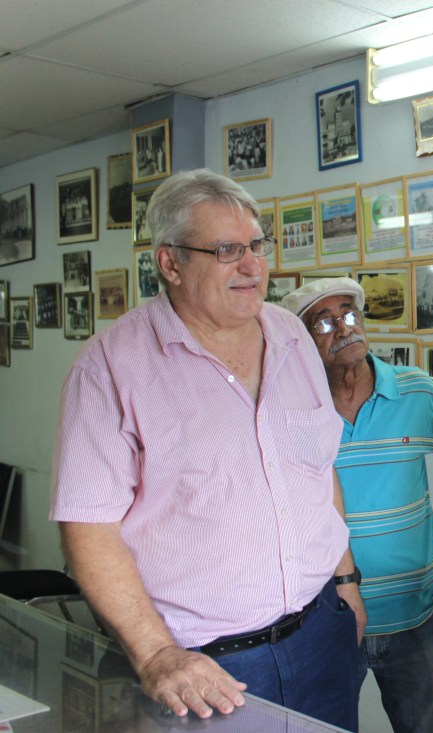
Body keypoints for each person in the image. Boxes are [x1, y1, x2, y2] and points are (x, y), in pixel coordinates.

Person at [49, 169, 365, 731]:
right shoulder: (110, 368)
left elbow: (317, 470)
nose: (251, 266)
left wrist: (345, 584)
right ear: (170, 263)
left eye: (255, 247)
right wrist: (155, 656)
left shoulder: (292, 336)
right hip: (204, 667)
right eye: (225, 250)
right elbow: (87, 531)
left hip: (322, 633)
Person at [282, 277, 433, 733]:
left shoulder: (417, 391)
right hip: (325, 618)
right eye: (323, 322)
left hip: (413, 614)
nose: (343, 329)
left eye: (348, 314)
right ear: (302, 342)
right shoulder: (292, 407)